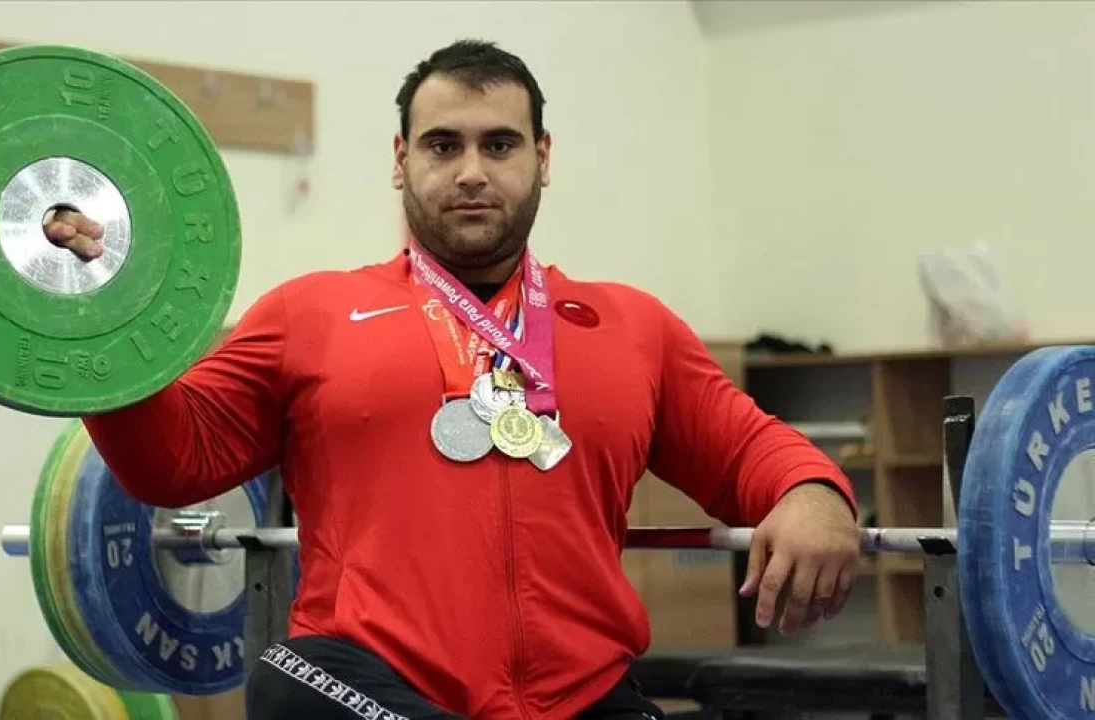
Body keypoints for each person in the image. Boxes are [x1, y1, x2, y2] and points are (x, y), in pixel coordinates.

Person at [49, 40, 861, 720]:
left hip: (581, 695)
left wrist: (816, 496)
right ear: (401, 160)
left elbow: (750, 451)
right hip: (371, 684)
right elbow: (171, 459)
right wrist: (100, 315)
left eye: (499, 145)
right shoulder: (309, 314)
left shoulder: (631, 328)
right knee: (289, 682)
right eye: (443, 146)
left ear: (543, 158)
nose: (472, 171)